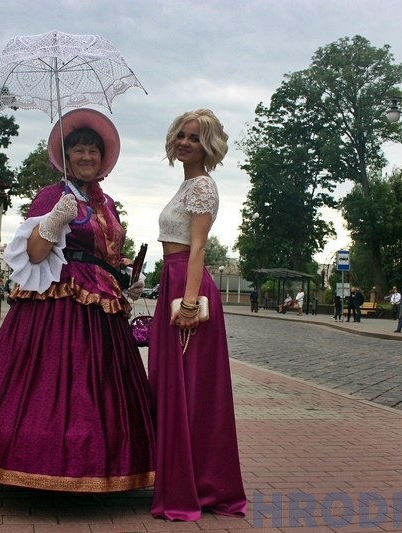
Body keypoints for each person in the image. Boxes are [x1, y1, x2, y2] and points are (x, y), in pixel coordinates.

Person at [0, 108, 155, 493]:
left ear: (103, 158)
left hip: (104, 304)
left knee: (103, 389)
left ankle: (103, 466)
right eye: (78, 150)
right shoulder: (51, 195)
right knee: (53, 385)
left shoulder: (107, 203)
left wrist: (128, 274)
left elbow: (108, 252)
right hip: (57, 301)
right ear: (65, 156)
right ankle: (38, 464)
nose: (86, 157)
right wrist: (53, 220)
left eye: (92, 151)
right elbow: (32, 253)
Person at [148, 109, 247, 521]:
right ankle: (186, 480)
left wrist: (189, 303)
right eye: (181, 136)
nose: (185, 142)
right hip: (172, 281)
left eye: (194, 138)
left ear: (207, 146)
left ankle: (196, 488)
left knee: (190, 390)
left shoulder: (202, 186)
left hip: (187, 288)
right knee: (177, 387)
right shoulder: (186, 186)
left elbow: (199, 248)